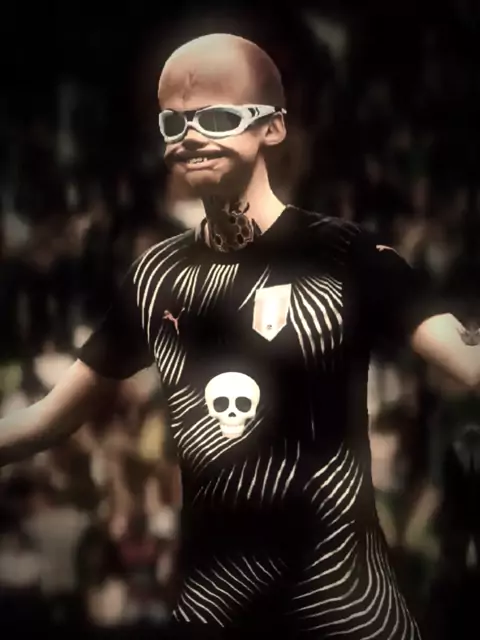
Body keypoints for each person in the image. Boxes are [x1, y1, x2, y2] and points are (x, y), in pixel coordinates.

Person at [0, 33, 479, 639]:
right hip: (216, 609)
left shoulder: (342, 254)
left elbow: (466, 361)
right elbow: (48, 418)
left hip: (345, 609)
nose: (190, 137)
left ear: (272, 128)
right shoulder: (156, 277)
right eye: (173, 123)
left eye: (218, 118)